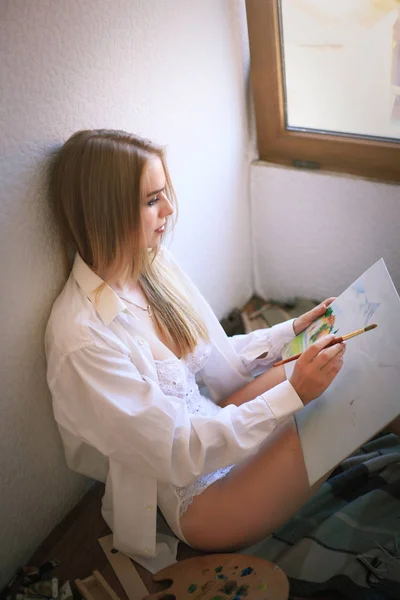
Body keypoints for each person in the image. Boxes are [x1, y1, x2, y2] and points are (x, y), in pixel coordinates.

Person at [45, 129, 346, 566]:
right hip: (202, 495)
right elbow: (179, 449)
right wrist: (294, 394)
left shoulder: (152, 266)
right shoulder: (82, 338)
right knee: (340, 403)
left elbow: (218, 358)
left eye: (164, 193)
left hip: (221, 423)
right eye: (151, 201)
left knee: (342, 357)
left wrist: (293, 331)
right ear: (103, 213)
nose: (169, 209)